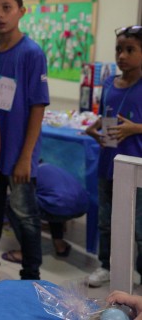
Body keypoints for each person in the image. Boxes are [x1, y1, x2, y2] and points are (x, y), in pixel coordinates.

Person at [0, 0, 50, 283]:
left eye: (7, 7)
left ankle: (31, 279)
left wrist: (25, 157)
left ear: (21, 11)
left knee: (25, 218)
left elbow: (37, 107)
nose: (0, 14)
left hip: (19, 155)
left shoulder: (32, 53)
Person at [85, 25, 142, 288]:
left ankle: (138, 268)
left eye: (130, 50)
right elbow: (108, 113)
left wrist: (135, 129)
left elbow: (130, 123)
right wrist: (95, 127)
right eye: (119, 49)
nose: (122, 55)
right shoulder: (109, 83)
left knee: (139, 226)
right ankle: (106, 265)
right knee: (106, 220)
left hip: (136, 165)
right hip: (108, 163)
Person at [0, 163, 89, 263]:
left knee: (13, 203)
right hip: (82, 207)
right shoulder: (49, 167)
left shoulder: (27, 172)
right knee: (49, 199)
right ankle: (59, 244)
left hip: (59, 206)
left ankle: (27, 253)